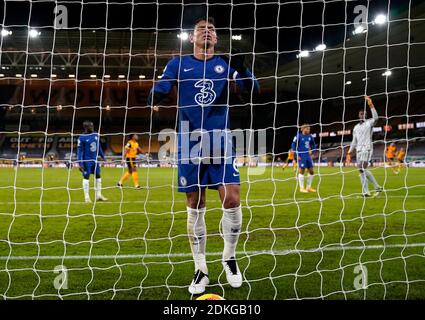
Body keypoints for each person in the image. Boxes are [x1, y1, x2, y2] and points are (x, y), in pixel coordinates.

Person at [147, 16, 259, 295]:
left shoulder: (225, 64)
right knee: (195, 203)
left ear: (216, 39)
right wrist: (156, 95)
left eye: (211, 29)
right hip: (188, 141)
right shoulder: (178, 64)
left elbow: (251, 89)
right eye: (201, 29)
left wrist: (243, 69)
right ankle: (201, 269)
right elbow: (161, 87)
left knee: (231, 198)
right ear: (191, 38)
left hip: (220, 141)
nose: (206, 32)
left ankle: (229, 258)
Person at [347, 96, 383, 197]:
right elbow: (354, 141)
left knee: (362, 168)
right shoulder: (356, 127)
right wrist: (349, 152)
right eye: (361, 113)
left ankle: (373, 188)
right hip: (358, 150)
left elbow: (376, 118)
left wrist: (370, 104)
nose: (362, 115)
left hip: (367, 148)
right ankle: (369, 190)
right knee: (361, 170)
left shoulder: (369, 123)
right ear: (358, 115)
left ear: (366, 115)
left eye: (364, 114)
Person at [77, 120, 108, 203]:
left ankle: (98, 195)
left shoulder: (95, 134)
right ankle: (87, 198)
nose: (92, 127)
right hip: (86, 161)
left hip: (95, 161)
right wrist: (80, 163)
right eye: (91, 126)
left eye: (92, 125)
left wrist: (103, 156)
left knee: (98, 176)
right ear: (86, 127)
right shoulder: (81, 137)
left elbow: (99, 147)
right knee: (86, 177)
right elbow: (79, 151)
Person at [292, 124, 317, 193]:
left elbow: (314, 145)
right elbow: (293, 144)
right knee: (302, 171)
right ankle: (302, 188)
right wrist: (296, 154)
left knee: (311, 171)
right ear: (302, 129)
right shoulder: (298, 136)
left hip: (308, 156)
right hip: (301, 155)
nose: (308, 130)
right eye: (307, 129)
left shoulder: (310, 136)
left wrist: (313, 152)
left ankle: (308, 187)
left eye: (309, 129)